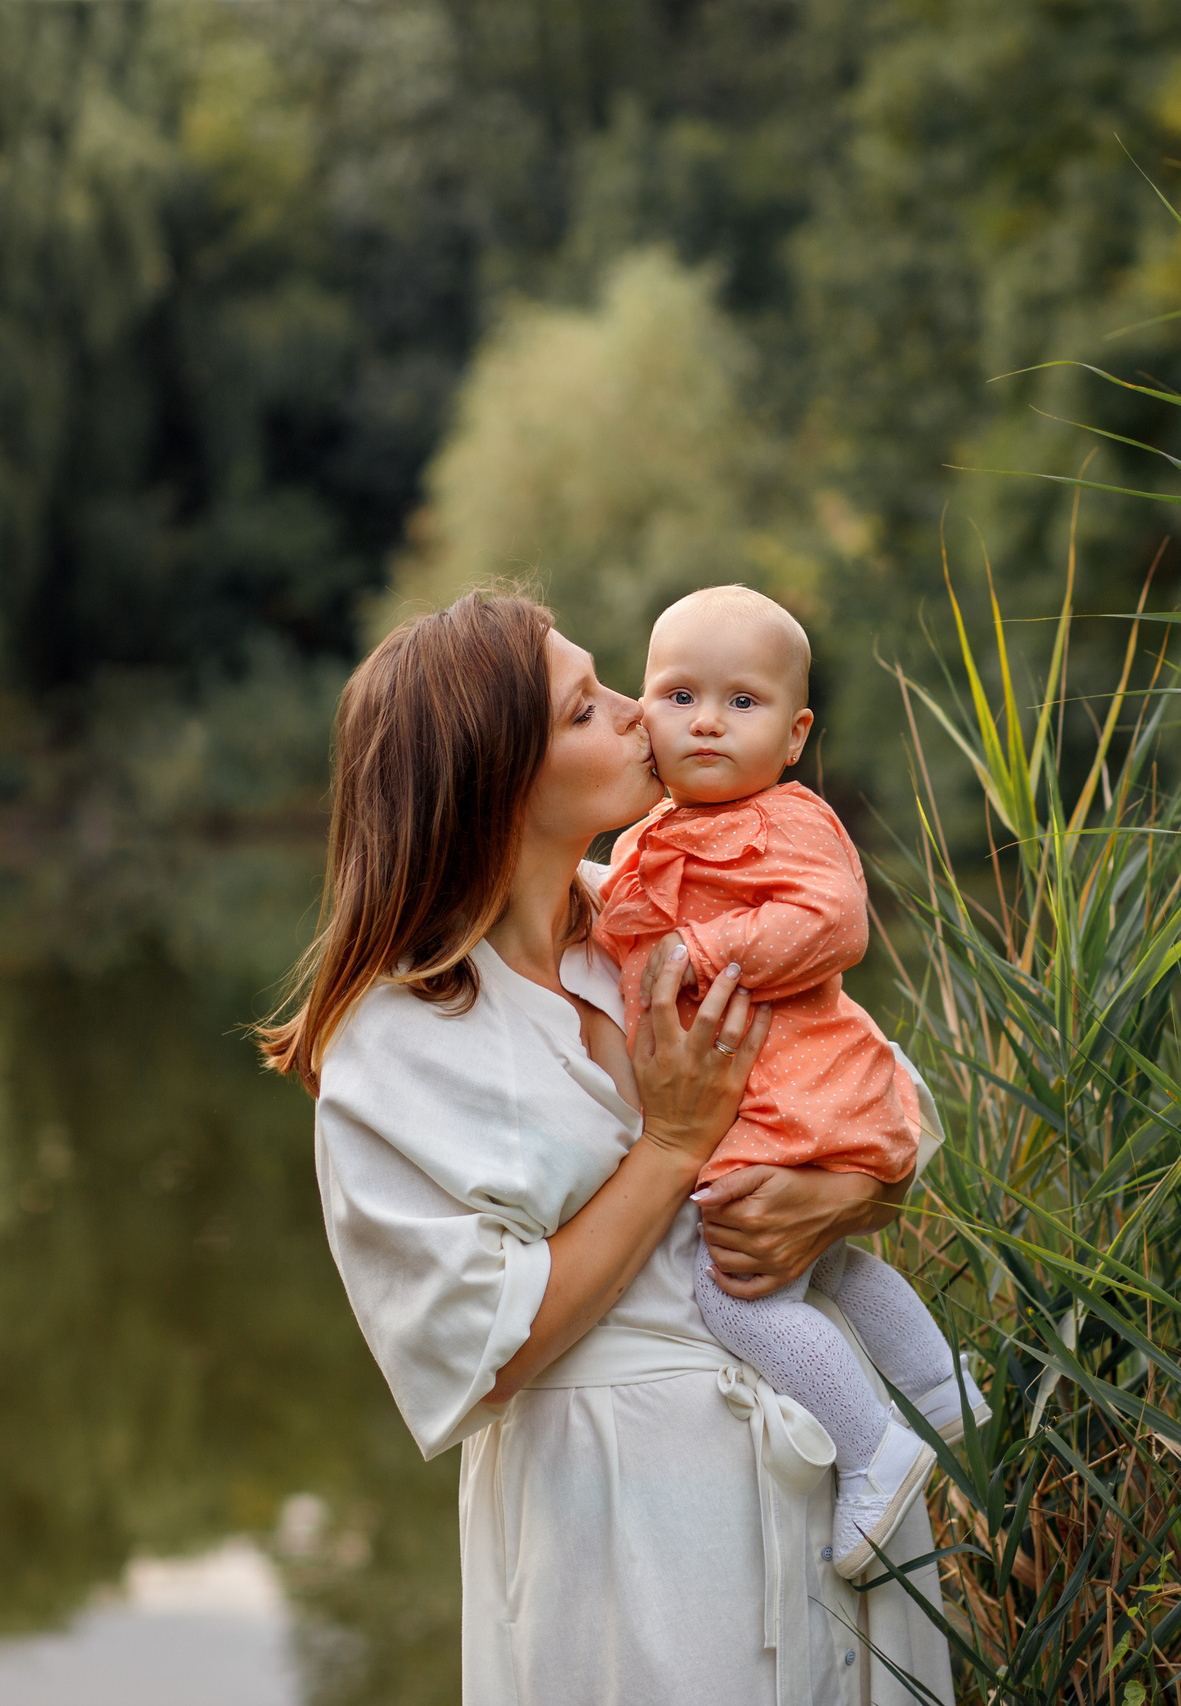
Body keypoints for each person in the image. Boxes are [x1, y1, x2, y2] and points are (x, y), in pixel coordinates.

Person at [259, 588, 954, 1706]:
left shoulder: (655, 917)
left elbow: (884, 1099)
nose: (644, 712)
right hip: (633, 1540)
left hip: (834, 1499)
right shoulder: (395, 1046)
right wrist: (673, 1145)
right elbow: (484, 1351)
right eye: (589, 707)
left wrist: (841, 1199)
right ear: (497, 781)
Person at [595, 586, 990, 1578]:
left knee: (735, 1289)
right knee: (834, 1267)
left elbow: (838, 922)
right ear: (642, 712)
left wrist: (704, 944)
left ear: (797, 733)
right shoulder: (645, 836)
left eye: (742, 701)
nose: (707, 721)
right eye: (679, 695)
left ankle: (873, 1445)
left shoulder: (787, 818)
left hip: (788, 1092)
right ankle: (940, 1390)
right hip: (766, 1097)